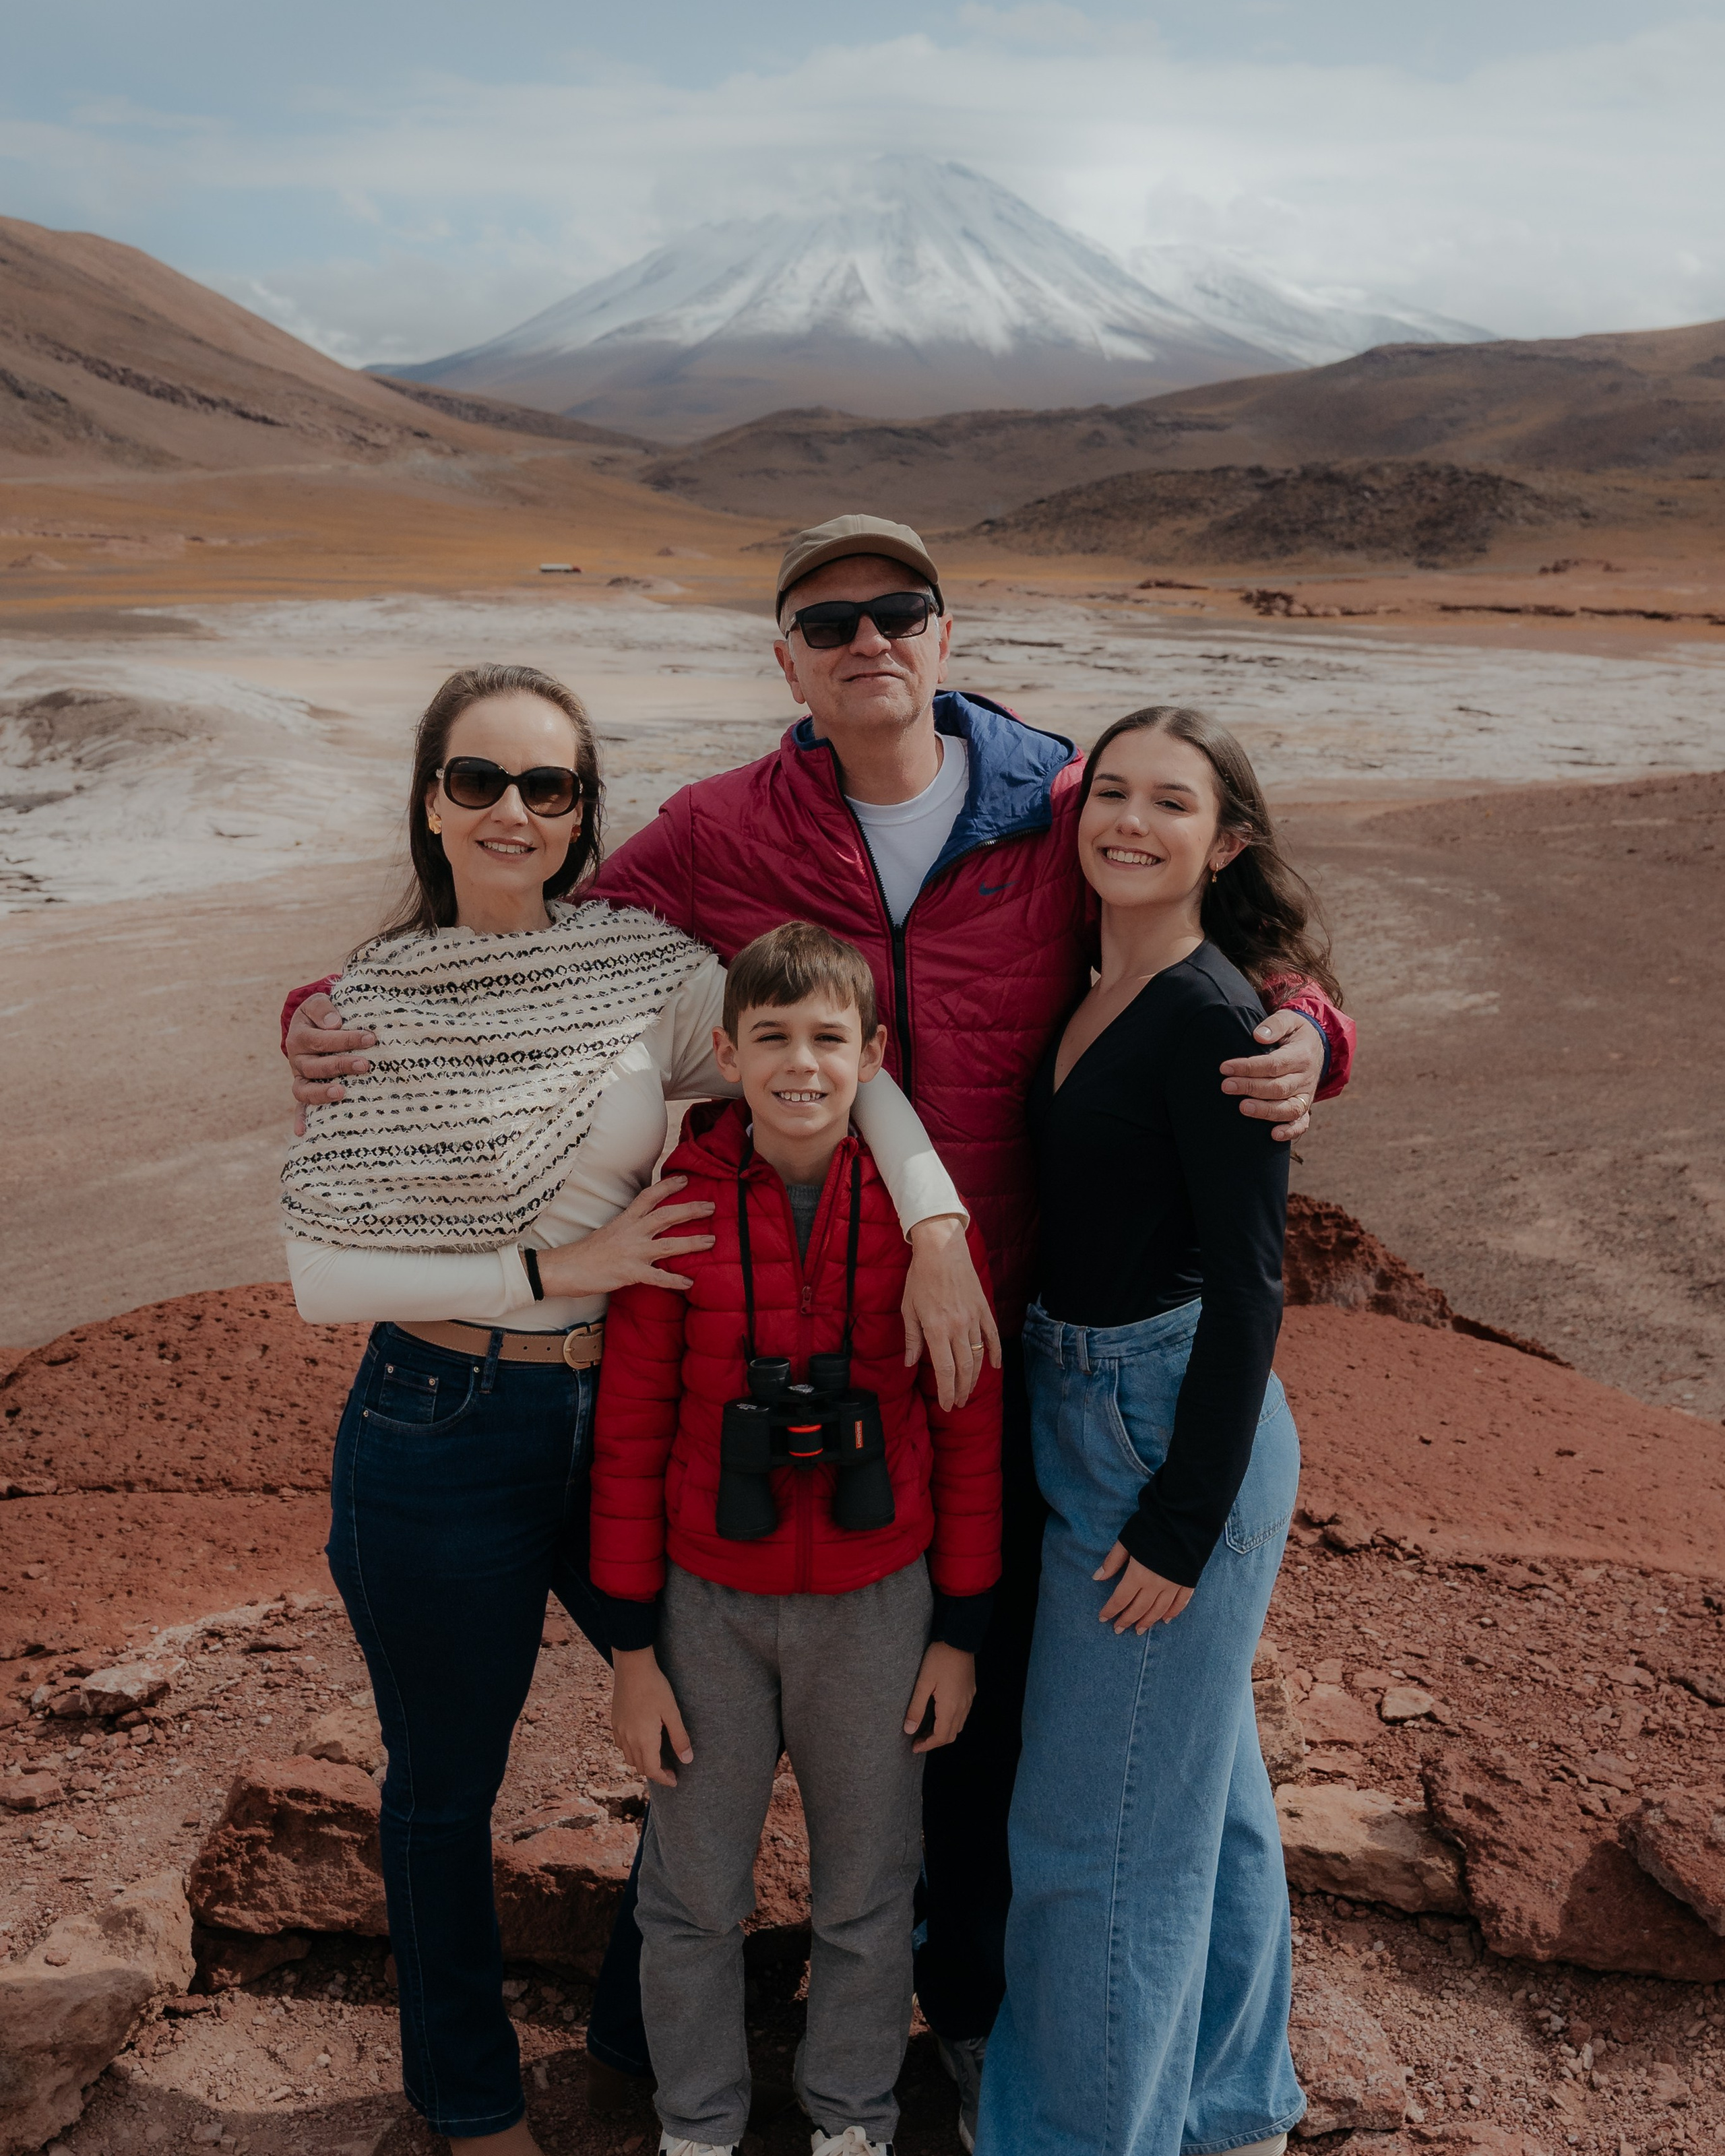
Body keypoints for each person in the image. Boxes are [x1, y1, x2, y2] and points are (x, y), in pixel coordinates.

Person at [282, 516, 1354, 2146]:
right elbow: (534, 931)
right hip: (798, 1351)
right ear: (784, 659)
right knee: (877, 1725)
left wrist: (1313, 1034)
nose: (867, 639)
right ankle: (684, 2062)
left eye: (897, 610)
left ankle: (1081, 2065)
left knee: (1074, 1759)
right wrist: (324, 1013)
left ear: (942, 630)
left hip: (1025, 1336)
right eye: (827, 619)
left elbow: (1225, 947)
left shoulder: (1071, 802)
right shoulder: (724, 828)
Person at [280, 665, 974, 2156]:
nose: (513, 812)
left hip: (617, 1421)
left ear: (585, 812)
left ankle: (630, 2038)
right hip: (432, 1415)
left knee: (696, 1735)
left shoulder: (642, 974)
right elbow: (324, 1269)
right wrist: (558, 1261)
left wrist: (930, 1223)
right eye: (480, 781)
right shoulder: (367, 1003)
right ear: (429, 800)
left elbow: (835, 1053)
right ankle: (470, 2107)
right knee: (445, 1783)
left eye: (549, 787)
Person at [976, 706, 1331, 2156]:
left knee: (1090, 1837)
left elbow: (1253, 1287)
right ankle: (1232, 2109)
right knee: (1203, 1795)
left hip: (1169, 1428)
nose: (1127, 821)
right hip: (1093, 1400)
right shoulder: (1086, 984)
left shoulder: (1211, 1020)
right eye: (1106, 792)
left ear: (1223, 839)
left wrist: (1178, 1524)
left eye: (1167, 802)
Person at [590, 921, 1002, 2156]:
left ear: (873, 1056)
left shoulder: (928, 1232)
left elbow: (969, 1434)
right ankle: (699, 2128)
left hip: (881, 1606)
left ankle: (852, 2123)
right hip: (707, 1609)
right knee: (691, 1898)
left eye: (830, 1039)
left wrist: (959, 1634)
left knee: (870, 1900)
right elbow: (630, 1442)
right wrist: (630, 1650)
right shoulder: (680, 1213)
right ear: (726, 1052)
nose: (801, 1064)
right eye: (771, 1038)